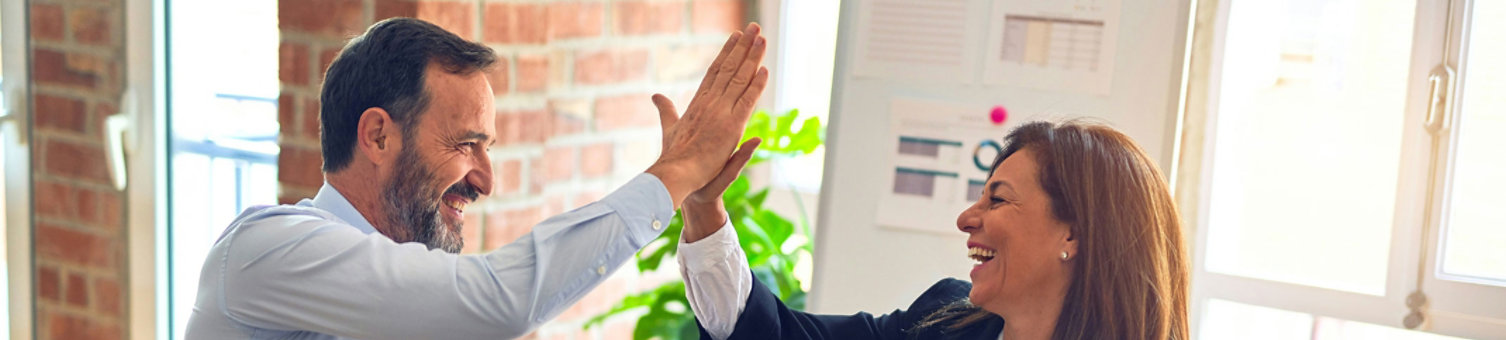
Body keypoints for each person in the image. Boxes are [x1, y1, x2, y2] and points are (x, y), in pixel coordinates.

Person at [185, 17, 771, 339]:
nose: (486, 181)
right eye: (466, 145)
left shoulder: (409, 291)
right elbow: (496, 302)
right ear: (378, 136)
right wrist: (674, 173)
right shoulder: (266, 249)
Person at [677, 121, 1191, 340]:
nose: (967, 218)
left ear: (1073, 234)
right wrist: (704, 207)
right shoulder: (946, 320)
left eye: (998, 198)